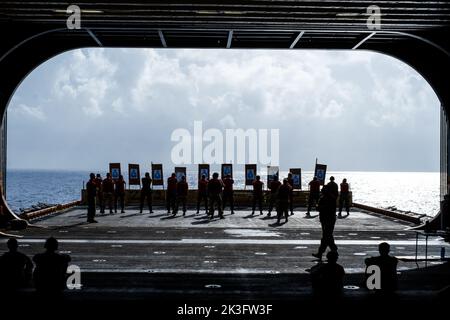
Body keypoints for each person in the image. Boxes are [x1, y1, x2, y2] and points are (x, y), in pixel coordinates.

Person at [313, 184, 338, 260]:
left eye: (324, 189)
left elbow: (325, 208)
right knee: (327, 236)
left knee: (326, 236)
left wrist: (318, 206)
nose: (322, 190)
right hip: (326, 219)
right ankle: (330, 250)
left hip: (328, 219)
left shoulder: (328, 198)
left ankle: (326, 251)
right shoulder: (328, 198)